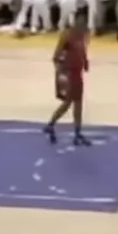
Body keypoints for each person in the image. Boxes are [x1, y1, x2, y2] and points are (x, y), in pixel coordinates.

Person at [44, 10, 91, 146]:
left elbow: (82, 50)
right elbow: (56, 56)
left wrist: (85, 61)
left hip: (77, 73)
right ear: (75, 21)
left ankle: (77, 133)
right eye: (80, 20)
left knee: (78, 104)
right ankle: (51, 124)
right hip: (68, 73)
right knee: (67, 103)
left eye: (84, 21)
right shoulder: (67, 35)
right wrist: (61, 73)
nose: (82, 23)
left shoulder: (83, 34)